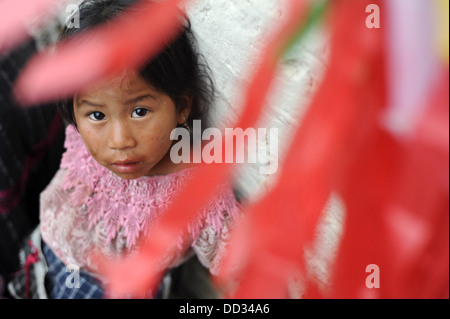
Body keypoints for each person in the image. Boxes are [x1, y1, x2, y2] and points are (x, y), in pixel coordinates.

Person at [8, 0, 240, 299]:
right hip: (47, 259)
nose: (119, 141)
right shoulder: (82, 133)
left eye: (140, 111)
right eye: (97, 115)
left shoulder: (199, 194)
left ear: (182, 107)